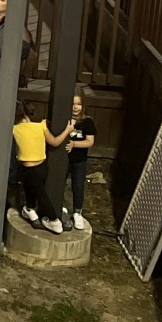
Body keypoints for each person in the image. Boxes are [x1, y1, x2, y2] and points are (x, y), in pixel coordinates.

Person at [12, 101, 71, 234]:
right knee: (33, 189)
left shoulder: (15, 129)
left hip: (28, 168)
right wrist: (67, 130)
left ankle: (54, 221)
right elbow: (55, 142)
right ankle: (30, 209)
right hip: (43, 166)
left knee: (40, 194)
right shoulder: (41, 126)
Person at [66, 93, 97, 232]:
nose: (75, 107)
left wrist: (74, 144)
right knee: (58, 182)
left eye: (78, 104)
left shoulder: (87, 122)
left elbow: (90, 142)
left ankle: (77, 212)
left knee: (78, 185)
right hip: (64, 159)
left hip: (79, 160)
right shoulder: (65, 119)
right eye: (73, 104)